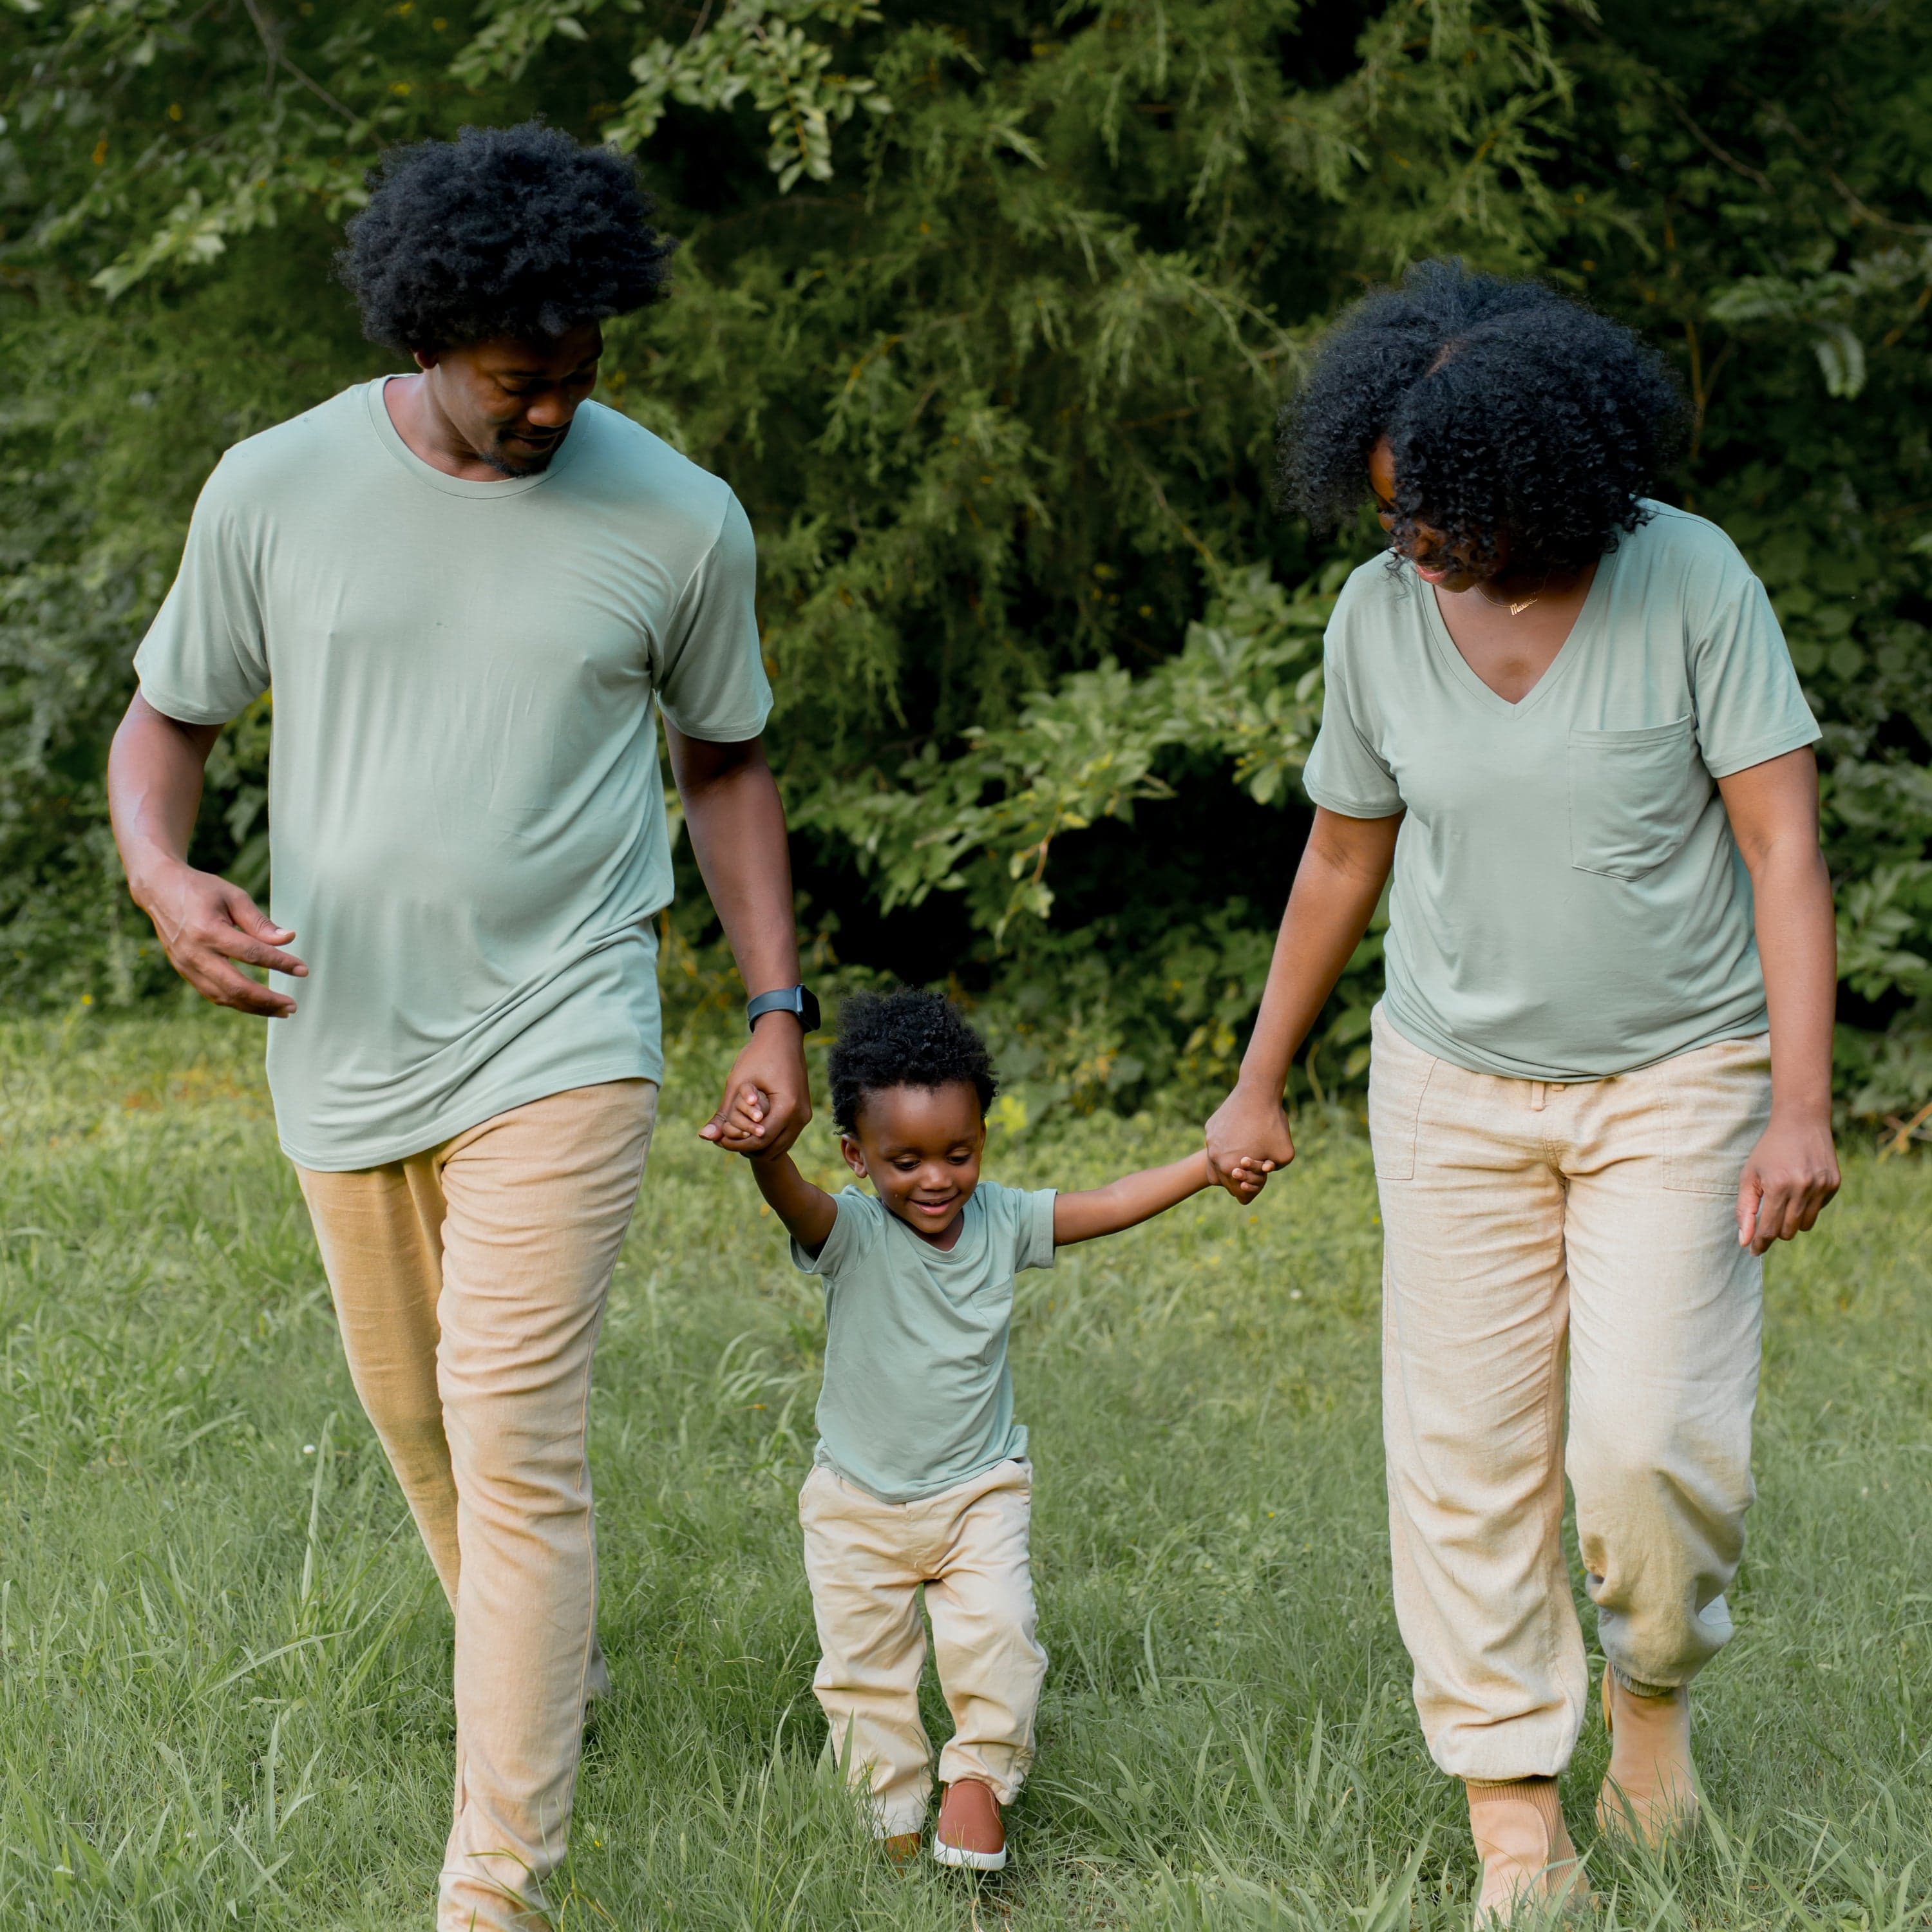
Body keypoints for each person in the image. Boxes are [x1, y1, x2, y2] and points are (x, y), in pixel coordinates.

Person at [106, 124, 819, 1932]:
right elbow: (164, 722)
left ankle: (493, 1886)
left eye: (584, 376)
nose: (558, 411)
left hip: (563, 1023)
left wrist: (772, 1001)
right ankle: (551, 1676)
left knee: (515, 1430)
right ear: (430, 336)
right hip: (336, 1026)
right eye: (523, 380)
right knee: (419, 1425)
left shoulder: (679, 515)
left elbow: (725, 766)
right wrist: (164, 877)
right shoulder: (276, 487)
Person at [1204, 260, 1841, 1925]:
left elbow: (1781, 847)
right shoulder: (1375, 618)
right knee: (1466, 1461)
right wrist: (1258, 1084)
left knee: (1649, 1445)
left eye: (1446, 524)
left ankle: (1651, 1704)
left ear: (1547, 486)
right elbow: (1344, 855)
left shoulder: (1689, 578)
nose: (1415, 551)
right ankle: (1512, 1817)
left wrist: (1800, 1103)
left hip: (1678, 1086)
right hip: (1452, 1096)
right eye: (1396, 518)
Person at [725, 989, 1266, 1871]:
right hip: (857, 1505)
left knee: (1002, 1632)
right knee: (863, 1676)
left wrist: (1204, 1168)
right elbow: (795, 1200)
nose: (936, 1178)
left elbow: (1117, 1198)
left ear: (982, 1139)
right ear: (857, 1156)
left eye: (959, 1153)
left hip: (979, 1491)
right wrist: (764, 1155)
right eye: (904, 1160)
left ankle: (978, 1779)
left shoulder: (1004, 1221)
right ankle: (891, 1821)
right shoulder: (851, 1232)